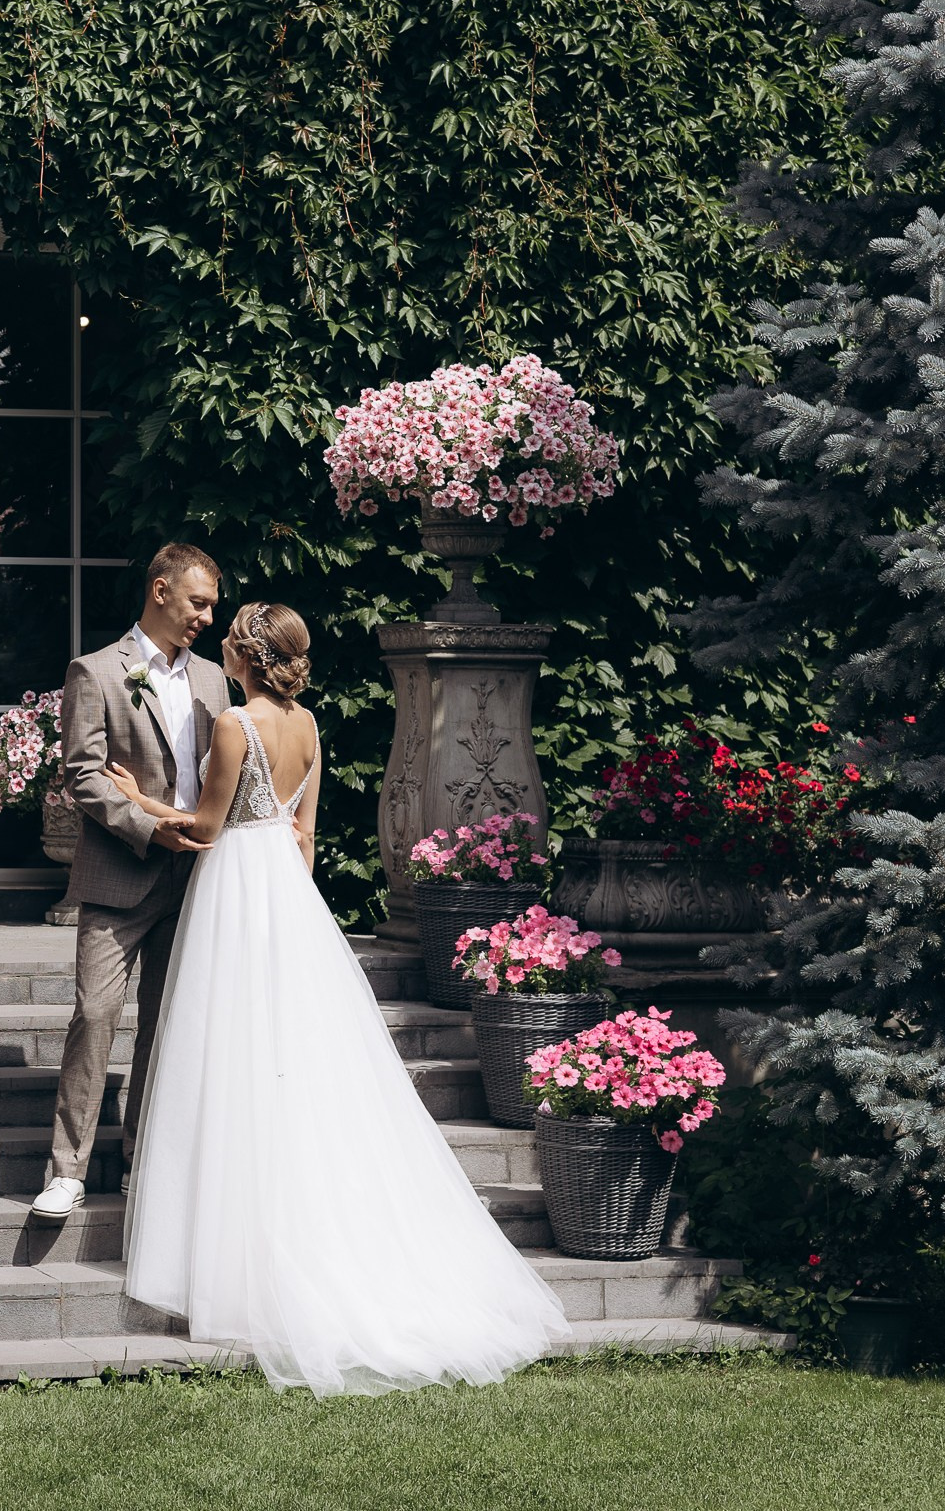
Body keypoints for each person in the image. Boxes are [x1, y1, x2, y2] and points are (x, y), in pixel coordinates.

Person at [104, 601, 571, 1394]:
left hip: (235, 892)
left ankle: (233, 1262)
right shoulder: (312, 727)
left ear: (246, 656)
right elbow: (306, 835)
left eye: (230, 638)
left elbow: (207, 828)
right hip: (288, 895)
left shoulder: (231, 726)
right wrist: (286, 894)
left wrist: (136, 797)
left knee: (230, 1055)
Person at [29, 544, 231, 1223]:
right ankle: (67, 1170)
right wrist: (146, 827)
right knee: (95, 1016)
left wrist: (190, 832)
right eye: (199, 601)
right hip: (118, 876)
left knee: (165, 1028)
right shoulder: (95, 671)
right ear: (161, 589)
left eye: (212, 604)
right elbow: (83, 776)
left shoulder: (213, 680)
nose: (208, 615)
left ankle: (143, 1162)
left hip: (192, 877)